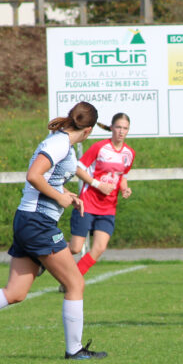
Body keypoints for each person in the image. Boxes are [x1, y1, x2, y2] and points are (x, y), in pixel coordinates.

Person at [0, 102, 108, 360]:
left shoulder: (61, 143)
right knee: (75, 283)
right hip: (37, 222)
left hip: (29, 220)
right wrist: (60, 198)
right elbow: (33, 176)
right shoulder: (59, 144)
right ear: (88, 130)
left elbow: (48, 180)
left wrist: (66, 195)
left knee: (15, 292)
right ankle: (74, 350)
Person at [66, 112, 135, 284]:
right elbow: (78, 169)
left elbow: (122, 176)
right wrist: (98, 185)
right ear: (111, 128)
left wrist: (125, 189)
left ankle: (72, 280)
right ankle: (43, 259)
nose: (121, 131)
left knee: (99, 247)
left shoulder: (129, 153)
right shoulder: (99, 147)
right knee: (75, 248)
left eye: (125, 128)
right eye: (118, 127)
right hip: (88, 203)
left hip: (108, 207)